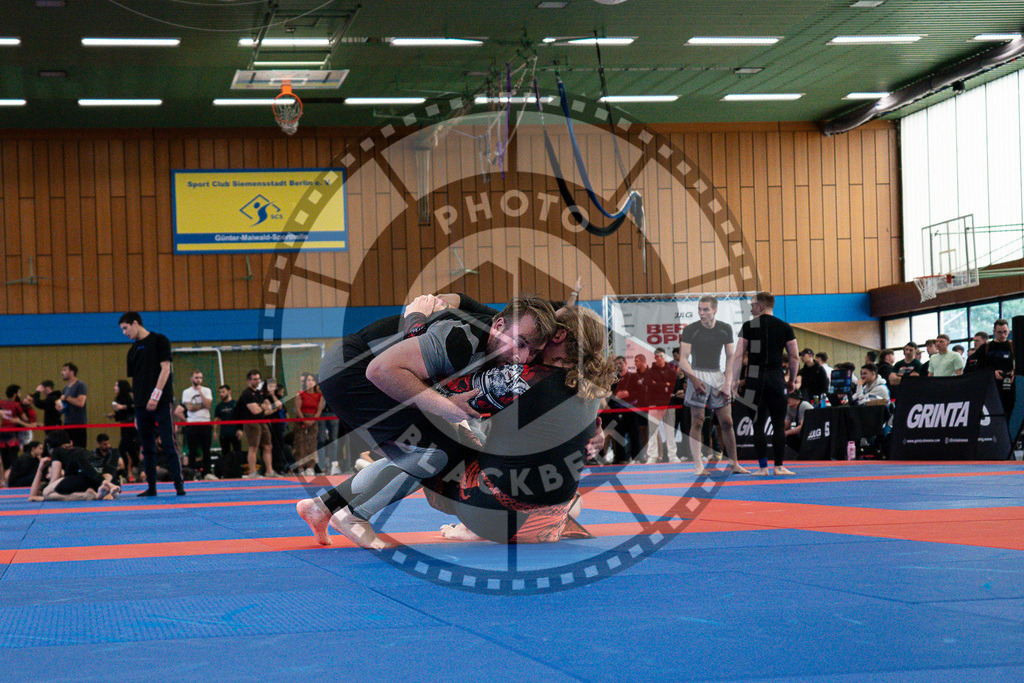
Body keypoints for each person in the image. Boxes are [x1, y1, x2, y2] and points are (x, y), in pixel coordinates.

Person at [298, 305, 614, 548]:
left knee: (434, 454)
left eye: (534, 350)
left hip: (493, 516)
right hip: (546, 523)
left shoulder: (519, 363)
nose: (526, 357)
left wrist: (422, 320)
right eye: (527, 346)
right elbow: (384, 370)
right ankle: (342, 506)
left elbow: (466, 306)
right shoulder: (593, 385)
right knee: (434, 452)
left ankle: (339, 507)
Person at [730, 291, 799, 476]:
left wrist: (735, 381)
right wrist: (791, 380)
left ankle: (762, 468)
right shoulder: (784, 326)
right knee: (778, 424)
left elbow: (738, 356)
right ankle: (778, 466)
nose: (751, 308)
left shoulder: (749, 326)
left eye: (753, 305)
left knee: (757, 423)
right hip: (776, 377)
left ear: (761, 306)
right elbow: (794, 356)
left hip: (753, 377)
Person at [677, 295, 748, 475]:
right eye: (700, 309)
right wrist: (693, 380)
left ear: (714, 310)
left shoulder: (724, 328)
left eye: (706, 309)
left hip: (717, 375)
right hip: (697, 372)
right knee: (698, 421)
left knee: (727, 421)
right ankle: (698, 466)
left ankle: (734, 464)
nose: (702, 313)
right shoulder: (691, 329)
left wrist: (727, 382)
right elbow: (683, 359)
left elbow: (731, 356)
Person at [118, 312, 186, 497]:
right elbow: (137, 381)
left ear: (135, 323)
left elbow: (166, 368)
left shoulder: (160, 340)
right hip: (141, 405)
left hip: (161, 401)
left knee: (168, 442)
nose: (124, 333)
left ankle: (179, 485)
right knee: (147, 447)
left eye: (125, 328)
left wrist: (156, 396)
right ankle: (151, 487)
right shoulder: (132, 351)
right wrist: (136, 412)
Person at [29, 430, 120, 501]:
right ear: (70, 442)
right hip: (97, 475)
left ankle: (88, 496)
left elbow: (54, 480)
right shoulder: (80, 450)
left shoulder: (57, 451)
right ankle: (105, 490)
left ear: (50, 448)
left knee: (47, 492)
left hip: (85, 477)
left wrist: (40, 469)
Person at [235, 370, 278, 478]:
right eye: (255, 379)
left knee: (268, 446)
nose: (257, 381)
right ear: (249, 380)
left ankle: (270, 471)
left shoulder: (260, 393)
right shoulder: (247, 393)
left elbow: (267, 406)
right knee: (253, 447)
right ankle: (253, 472)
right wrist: (264, 408)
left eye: (258, 379)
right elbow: (255, 411)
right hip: (252, 423)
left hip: (262, 422)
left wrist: (264, 408)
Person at [603, 356, 643, 464]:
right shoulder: (613, 380)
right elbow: (608, 395)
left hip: (631, 410)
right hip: (617, 410)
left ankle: (637, 458)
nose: (618, 366)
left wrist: (628, 394)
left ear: (625, 363)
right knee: (618, 435)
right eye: (616, 364)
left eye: (620, 363)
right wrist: (614, 397)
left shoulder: (633, 377)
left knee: (634, 434)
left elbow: (640, 393)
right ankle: (620, 458)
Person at [643, 347, 679, 465]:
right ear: (655, 358)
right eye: (658, 356)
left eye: (662, 356)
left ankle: (672, 455)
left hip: (669, 404)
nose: (660, 359)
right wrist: (664, 385)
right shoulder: (649, 372)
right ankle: (652, 456)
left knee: (670, 431)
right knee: (652, 432)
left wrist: (658, 385)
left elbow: (673, 386)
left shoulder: (671, 371)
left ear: (664, 357)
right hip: (654, 403)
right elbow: (650, 385)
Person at [181, 370, 214, 480]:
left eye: (200, 378)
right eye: (196, 378)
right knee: (192, 450)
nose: (198, 380)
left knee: (206, 449)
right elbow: (189, 408)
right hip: (192, 423)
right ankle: (191, 473)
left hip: (205, 422)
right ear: (192, 379)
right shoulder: (186, 392)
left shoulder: (206, 390)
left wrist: (201, 393)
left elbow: (208, 405)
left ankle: (207, 473)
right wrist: (202, 405)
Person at [1, 384, 33, 484]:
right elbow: (25, 419)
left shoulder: (2, 403)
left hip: (2, 432)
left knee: (4, 458)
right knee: (13, 459)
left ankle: (3, 480)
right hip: (12, 433)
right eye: (19, 392)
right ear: (15, 394)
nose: (20, 394)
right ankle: (11, 481)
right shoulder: (16, 405)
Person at [294, 373, 325, 476]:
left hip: (313, 420)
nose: (310, 382)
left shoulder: (319, 395)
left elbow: (319, 410)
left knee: (312, 443)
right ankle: (300, 467)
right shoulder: (300, 394)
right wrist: (304, 420)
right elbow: (298, 409)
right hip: (301, 419)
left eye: (312, 380)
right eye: (308, 380)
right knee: (300, 443)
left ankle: (310, 467)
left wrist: (312, 421)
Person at [982, 319, 1015, 415]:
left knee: (1008, 412)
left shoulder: (1013, 346)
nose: (1003, 335)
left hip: (1009, 386)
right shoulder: (986, 347)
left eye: (1005, 332)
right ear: (994, 332)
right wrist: (993, 372)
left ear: (1009, 331)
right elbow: (979, 368)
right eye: (999, 332)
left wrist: (1014, 372)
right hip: (992, 387)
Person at [109, 379, 139, 481]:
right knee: (130, 450)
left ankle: (128, 469)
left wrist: (122, 407)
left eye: (116, 386)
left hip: (130, 427)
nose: (114, 388)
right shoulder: (119, 398)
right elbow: (122, 414)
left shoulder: (127, 397)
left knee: (123, 448)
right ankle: (134, 468)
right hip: (124, 426)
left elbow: (134, 407)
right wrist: (114, 416)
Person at [56, 362, 88, 448]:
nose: (61, 373)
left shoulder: (80, 385)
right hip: (67, 422)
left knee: (79, 448)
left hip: (78, 423)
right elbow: (66, 406)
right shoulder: (65, 388)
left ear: (72, 372)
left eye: (64, 370)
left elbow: (81, 403)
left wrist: (66, 397)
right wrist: (60, 408)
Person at [214, 384, 241, 457]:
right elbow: (216, 419)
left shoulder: (236, 404)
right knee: (225, 454)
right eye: (220, 392)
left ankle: (237, 468)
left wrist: (240, 430)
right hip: (224, 433)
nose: (221, 394)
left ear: (229, 392)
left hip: (235, 433)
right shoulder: (219, 406)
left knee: (237, 453)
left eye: (223, 392)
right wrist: (214, 432)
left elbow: (240, 418)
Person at [783, 392, 813, 457]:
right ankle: (801, 452)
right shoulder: (790, 408)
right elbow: (786, 425)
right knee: (785, 437)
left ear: (797, 398)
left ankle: (805, 453)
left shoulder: (804, 405)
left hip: (812, 432)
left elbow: (803, 427)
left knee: (788, 434)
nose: (787, 399)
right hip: (804, 432)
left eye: (789, 398)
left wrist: (787, 432)